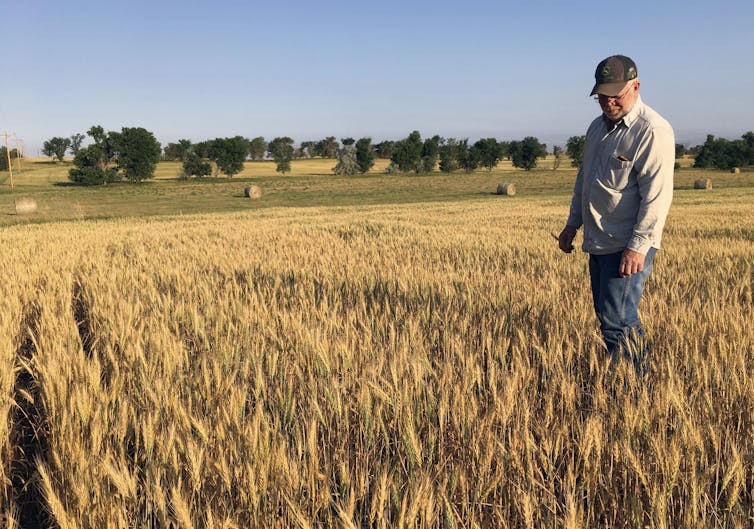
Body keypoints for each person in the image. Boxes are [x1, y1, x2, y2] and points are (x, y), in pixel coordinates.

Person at [558, 54, 674, 372]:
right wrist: (573, 223)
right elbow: (586, 178)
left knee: (618, 321)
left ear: (635, 86)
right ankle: (625, 380)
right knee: (609, 318)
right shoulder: (596, 129)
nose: (608, 102)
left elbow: (657, 195)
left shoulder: (651, 131)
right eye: (602, 96)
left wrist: (639, 246)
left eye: (616, 94)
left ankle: (635, 390)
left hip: (626, 244)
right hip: (598, 238)